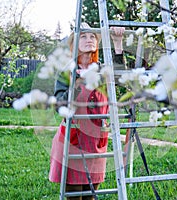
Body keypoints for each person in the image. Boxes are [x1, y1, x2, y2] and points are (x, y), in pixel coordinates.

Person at [49, 22, 125, 200]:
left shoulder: (102, 70)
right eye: (83, 36)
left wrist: (118, 43)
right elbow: (60, 105)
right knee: (75, 195)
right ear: (74, 43)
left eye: (92, 36)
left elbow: (121, 79)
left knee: (91, 195)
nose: (89, 39)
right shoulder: (67, 72)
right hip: (73, 139)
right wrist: (77, 81)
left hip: (97, 141)